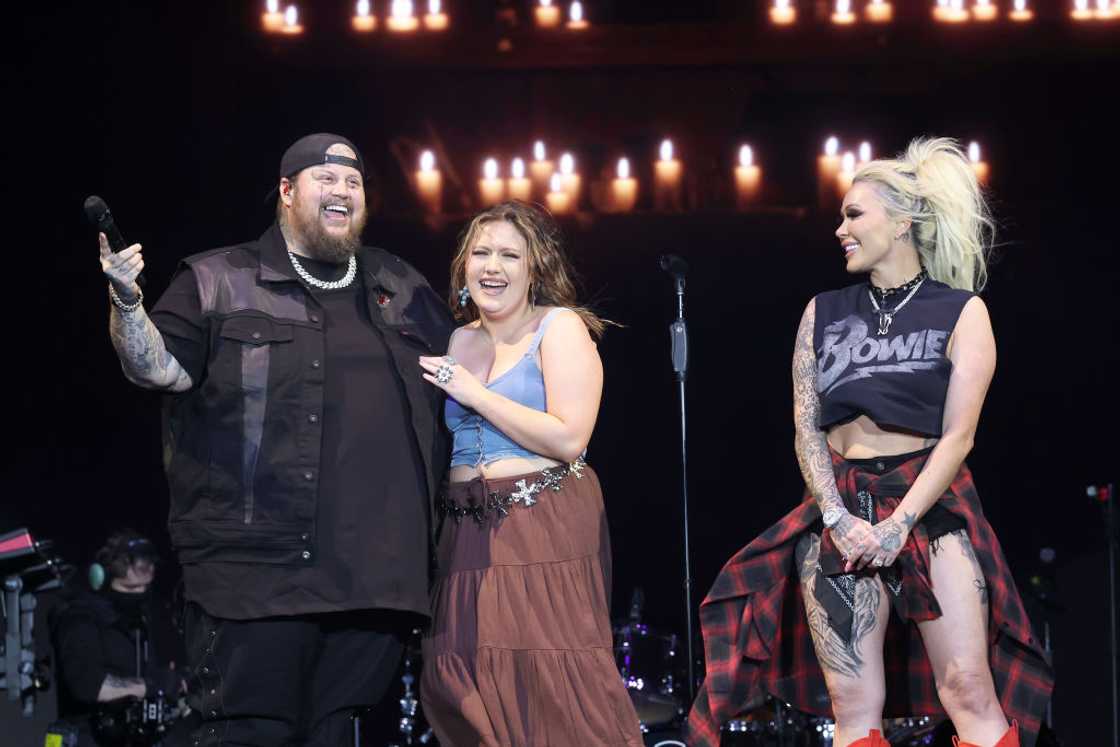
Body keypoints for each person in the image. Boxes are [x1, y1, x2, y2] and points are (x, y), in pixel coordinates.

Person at [685, 138, 1053, 747]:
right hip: (841, 508)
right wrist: (834, 514)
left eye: (854, 214)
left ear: (903, 220)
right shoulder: (822, 311)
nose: (840, 229)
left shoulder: (962, 312)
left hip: (929, 507)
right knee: (853, 707)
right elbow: (807, 426)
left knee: (966, 686)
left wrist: (898, 524)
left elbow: (959, 436)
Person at [97, 133, 453, 746]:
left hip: (374, 580)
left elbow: (468, 377)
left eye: (354, 182)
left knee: (340, 735)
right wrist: (127, 302)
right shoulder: (218, 278)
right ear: (287, 192)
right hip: (253, 576)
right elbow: (155, 368)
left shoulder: (401, 285)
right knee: (250, 734)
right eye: (326, 179)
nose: (342, 190)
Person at [417, 201, 644, 746]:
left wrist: (472, 393)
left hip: (539, 523)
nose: (492, 266)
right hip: (465, 532)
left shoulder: (558, 327)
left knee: (550, 684)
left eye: (509, 255)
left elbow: (569, 438)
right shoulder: (459, 339)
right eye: (481, 252)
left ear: (534, 268)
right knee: (462, 678)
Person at [49, 530, 187, 747]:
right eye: (131, 588)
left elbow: (171, 672)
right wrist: (152, 687)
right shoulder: (78, 616)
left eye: (145, 588)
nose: (140, 594)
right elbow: (88, 685)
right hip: (87, 738)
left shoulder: (149, 614)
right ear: (102, 577)